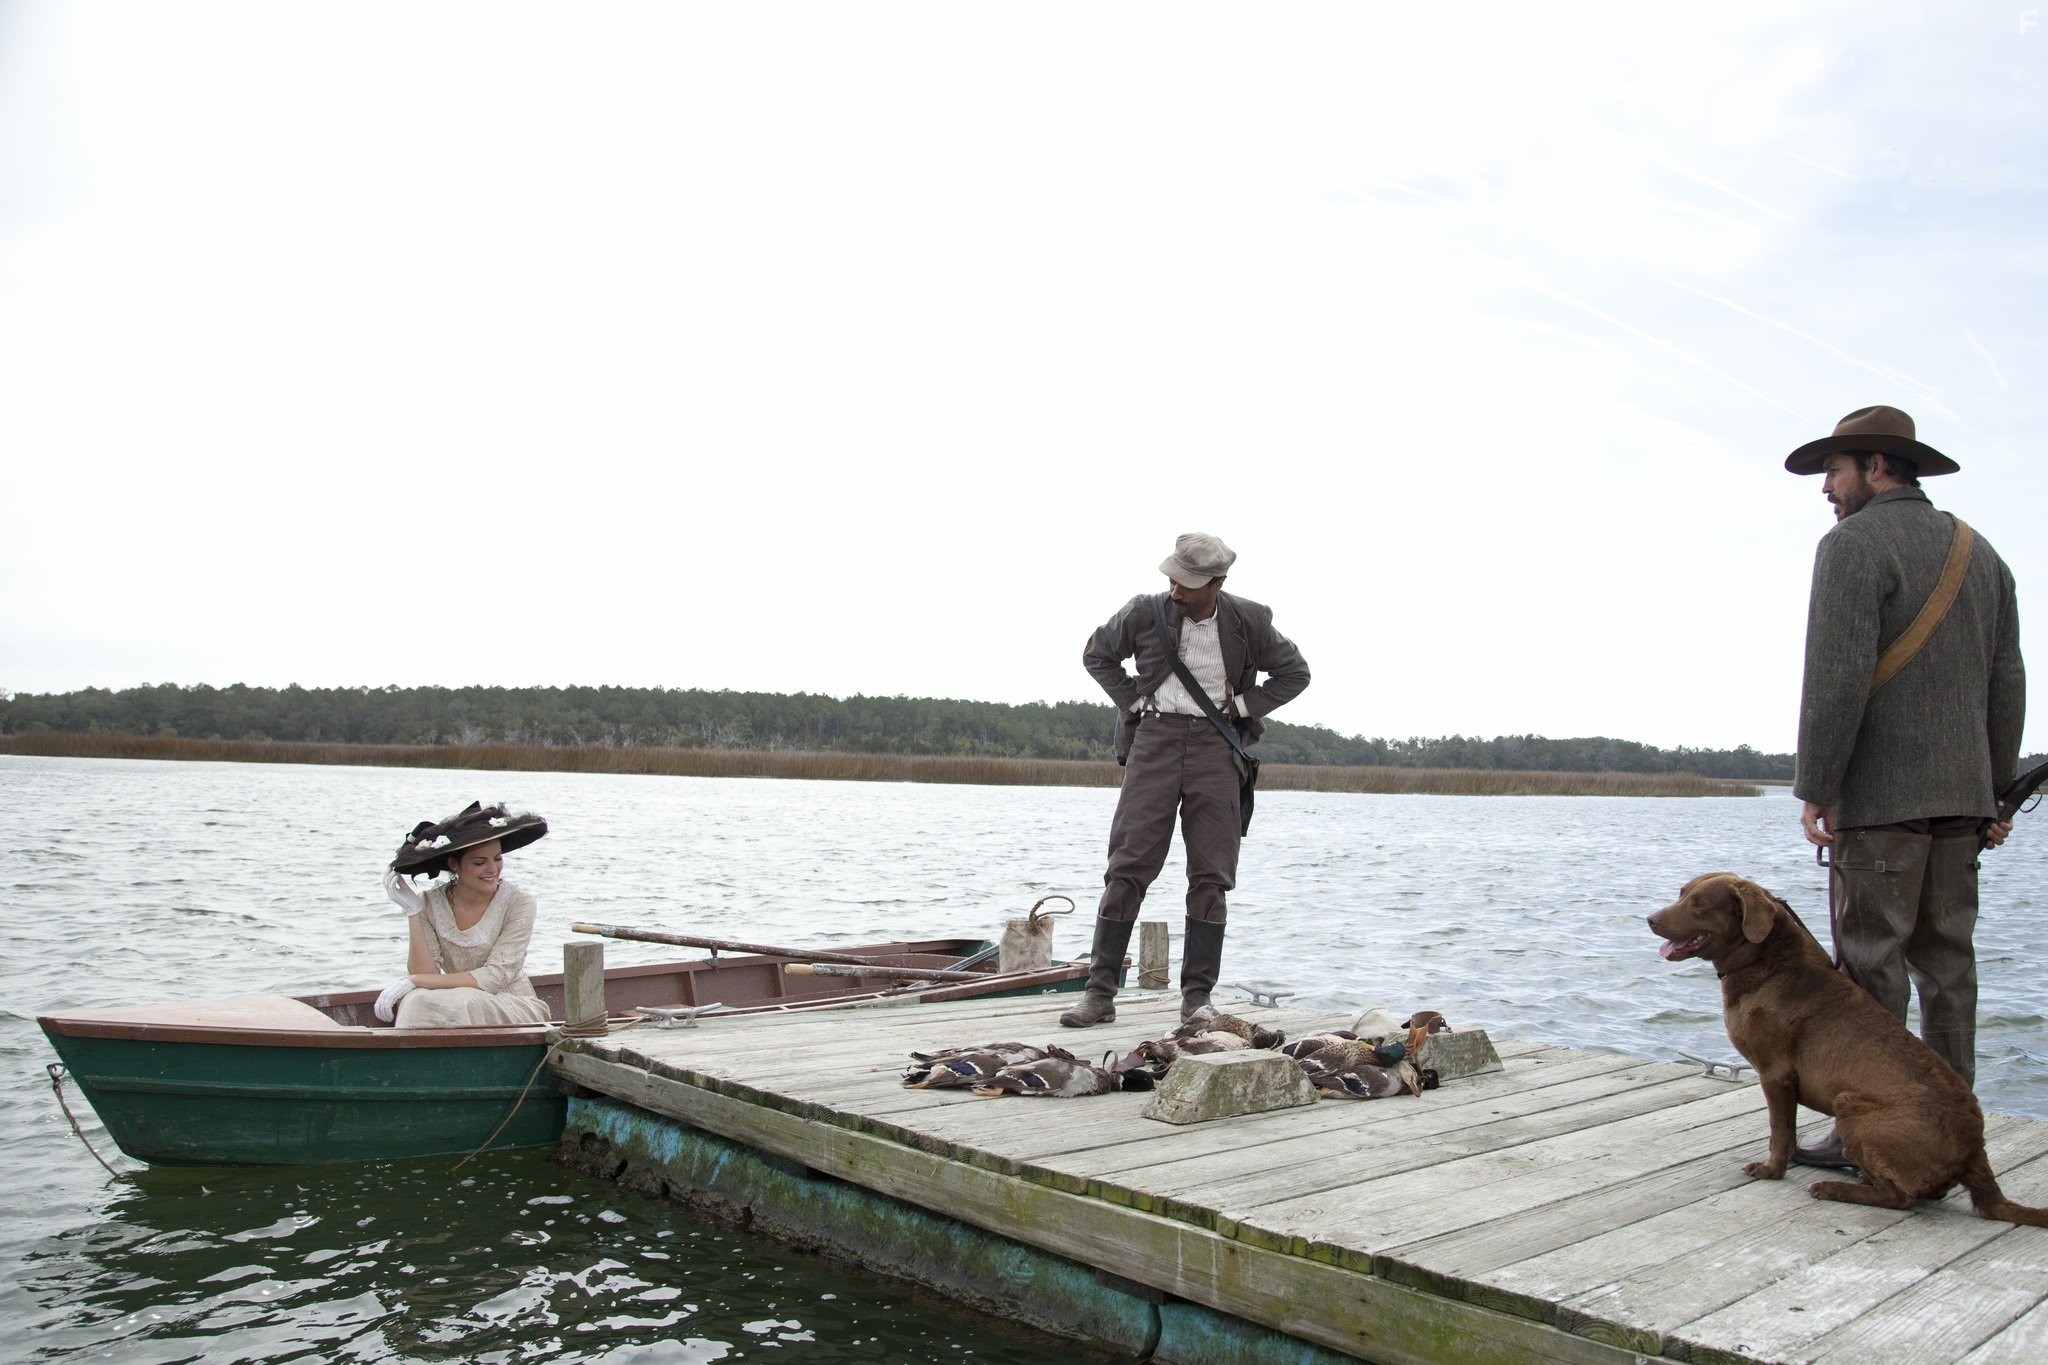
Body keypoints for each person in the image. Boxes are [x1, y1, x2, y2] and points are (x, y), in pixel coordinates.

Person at [1786, 405, 2026, 1166]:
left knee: (1867, 974)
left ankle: (1872, 1134)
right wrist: (1995, 789)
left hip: (1882, 803)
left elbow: (1836, 677)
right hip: (1964, 801)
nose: (1827, 485)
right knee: (1949, 968)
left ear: (1878, 466)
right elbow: (2007, 682)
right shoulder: (1982, 552)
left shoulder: (1852, 544)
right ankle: (1953, 1133)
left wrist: (1817, 784)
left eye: (1836, 468)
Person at [1064, 532, 1310, 1027]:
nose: (1176, 589)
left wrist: (1242, 707)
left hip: (1217, 751)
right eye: (1173, 577)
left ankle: (1198, 1000)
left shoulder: (1250, 620)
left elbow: (1295, 674)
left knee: (1211, 877)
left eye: (1189, 583)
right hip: (1152, 742)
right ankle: (1099, 993)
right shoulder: (1143, 610)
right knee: (1127, 866)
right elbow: (1097, 655)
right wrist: (1134, 700)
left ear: (1217, 583)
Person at [374, 801, 555, 1028]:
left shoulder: (519, 902)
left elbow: (493, 977)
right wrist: (413, 912)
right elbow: (425, 973)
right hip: (459, 999)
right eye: (479, 862)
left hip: (515, 1005)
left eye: (497, 858)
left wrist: (412, 981)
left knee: (461, 1002)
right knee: (416, 999)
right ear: (454, 865)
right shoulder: (429, 903)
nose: (492, 869)